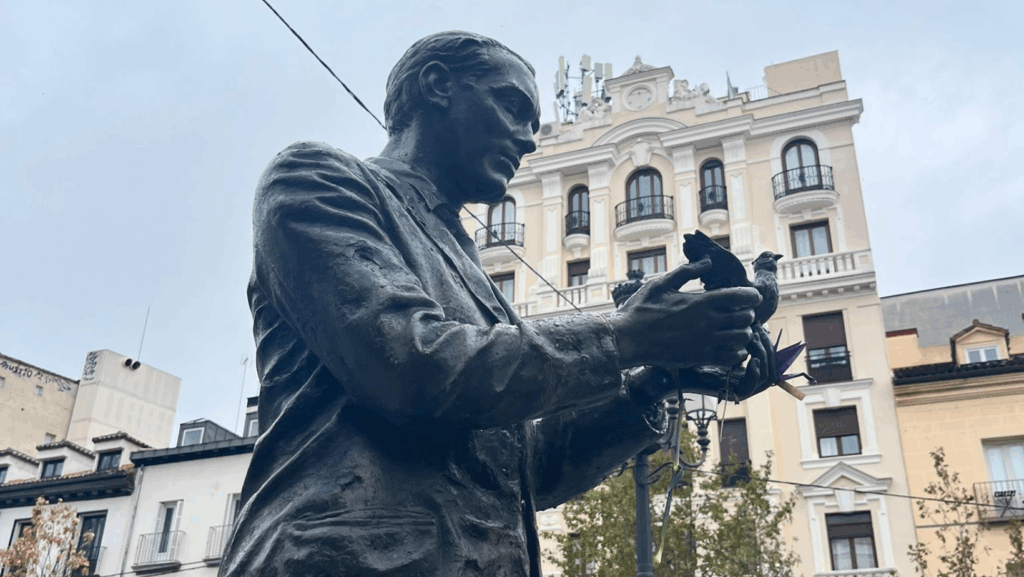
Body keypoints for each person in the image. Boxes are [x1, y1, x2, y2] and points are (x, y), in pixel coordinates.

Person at [220, 31, 771, 577]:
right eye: (512, 108)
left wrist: (658, 378)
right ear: (437, 86)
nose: (528, 140)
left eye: (533, 123)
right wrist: (626, 337)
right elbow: (411, 365)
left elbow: (530, 468)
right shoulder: (317, 180)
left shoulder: (470, 268)